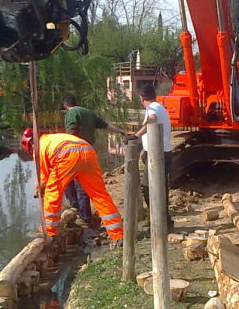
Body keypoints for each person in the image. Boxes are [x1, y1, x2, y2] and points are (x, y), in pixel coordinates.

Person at [20, 128, 123, 244]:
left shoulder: (38, 149)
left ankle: (49, 230)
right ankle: (118, 234)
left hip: (67, 155)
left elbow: (43, 177)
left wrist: (39, 188)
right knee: (99, 194)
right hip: (88, 151)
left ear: (29, 146)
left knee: (52, 192)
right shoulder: (53, 138)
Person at [61, 93, 127, 226]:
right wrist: (121, 131)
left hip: (75, 153)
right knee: (83, 185)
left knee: (69, 181)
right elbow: (105, 125)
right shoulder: (88, 112)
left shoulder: (71, 113)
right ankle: (85, 214)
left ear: (65, 105)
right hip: (89, 152)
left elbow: (71, 133)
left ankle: (80, 213)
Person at [131, 85, 174, 227]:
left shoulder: (152, 108)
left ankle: (159, 221)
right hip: (162, 152)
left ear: (142, 98)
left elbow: (152, 119)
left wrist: (136, 135)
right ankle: (163, 220)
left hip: (157, 155)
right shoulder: (160, 106)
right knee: (160, 188)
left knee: (148, 188)